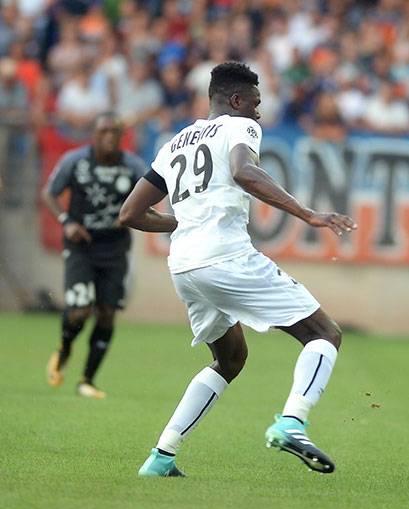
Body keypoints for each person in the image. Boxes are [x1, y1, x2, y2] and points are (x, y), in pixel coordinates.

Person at [119, 61, 357, 477]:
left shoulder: (175, 142)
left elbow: (130, 213)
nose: (259, 112)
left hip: (185, 267)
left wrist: (184, 223)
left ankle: (161, 456)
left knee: (230, 359)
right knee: (325, 334)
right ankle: (292, 422)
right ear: (235, 100)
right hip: (226, 257)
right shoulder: (238, 126)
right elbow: (244, 172)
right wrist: (308, 214)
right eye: (255, 103)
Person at [42, 112, 148, 399]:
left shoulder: (133, 166)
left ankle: (87, 380)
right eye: (103, 132)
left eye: (115, 132)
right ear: (93, 134)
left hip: (115, 249)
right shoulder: (75, 162)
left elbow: (152, 195)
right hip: (81, 247)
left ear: (121, 136)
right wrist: (67, 222)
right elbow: (49, 193)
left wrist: (134, 215)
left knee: (107, 314)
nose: (109, 137)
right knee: (79, 310)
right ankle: (64, 349)